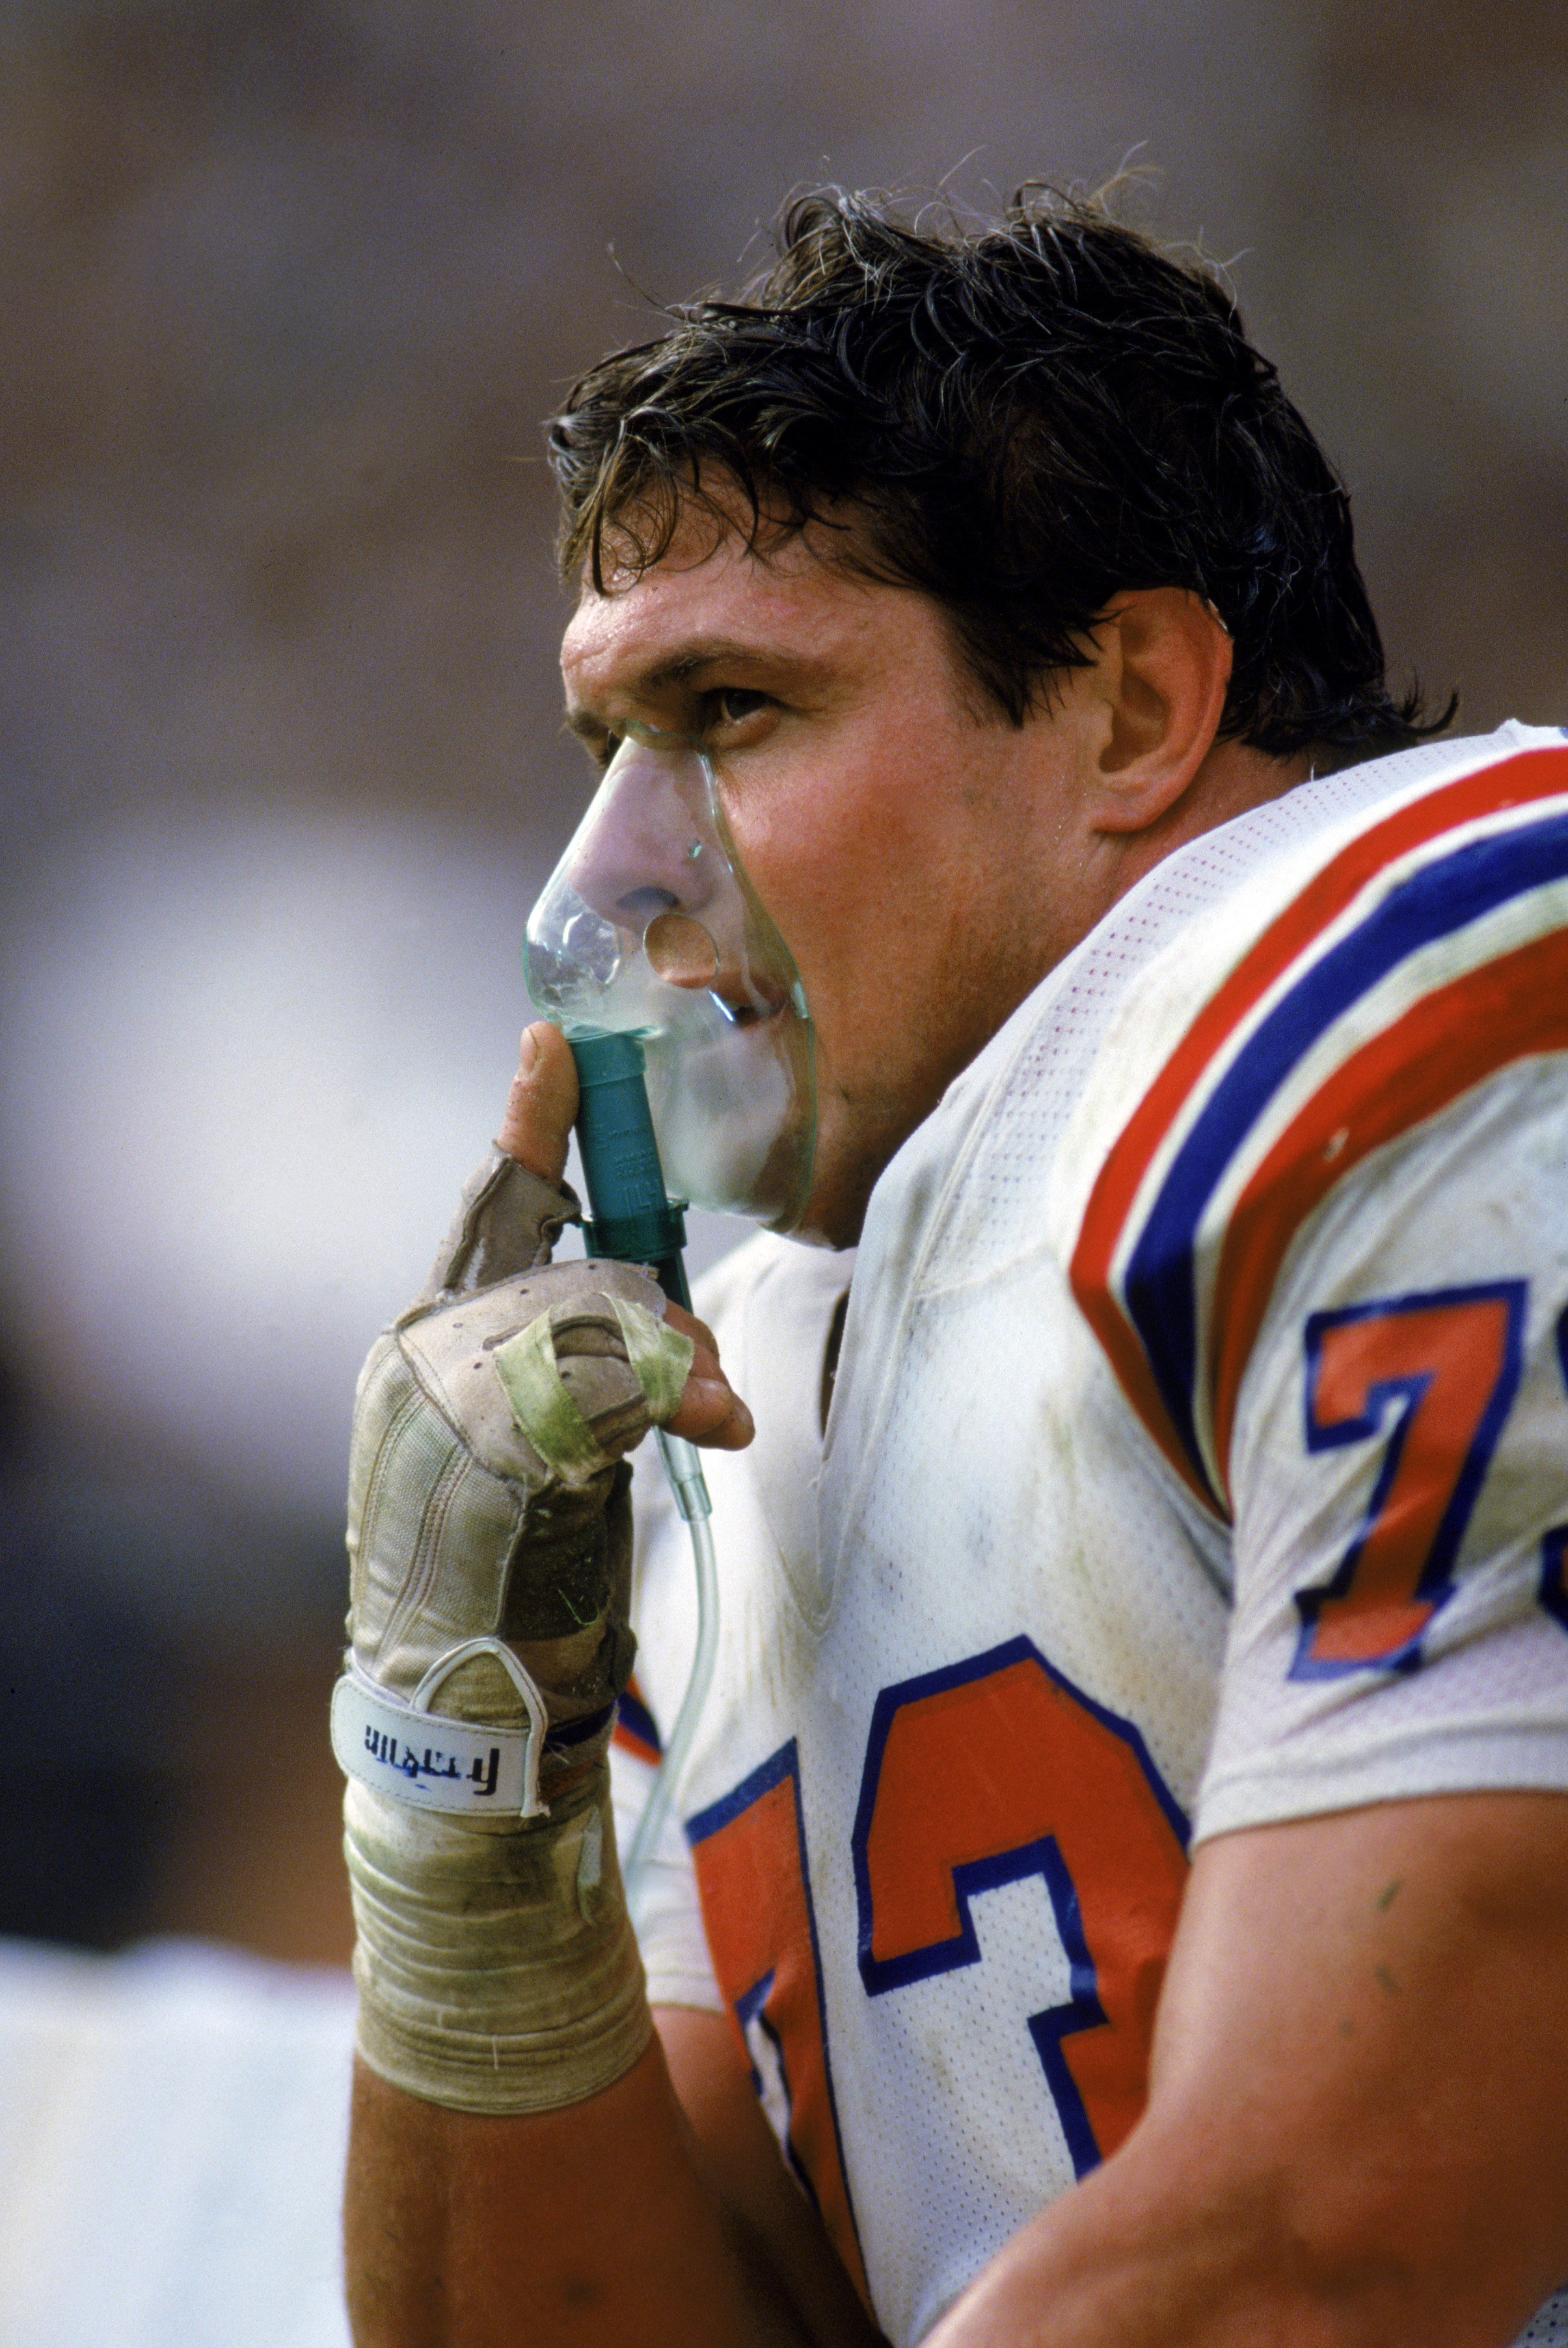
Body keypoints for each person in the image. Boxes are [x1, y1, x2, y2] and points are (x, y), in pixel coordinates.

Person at [334, 187, 1568, 2347]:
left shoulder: (1436, 994)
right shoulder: (759, 1361)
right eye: (605, 750)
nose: (598, 893)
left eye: (731, 712)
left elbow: (1343, 2235)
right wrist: (463, 1785)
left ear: (1129, 705)